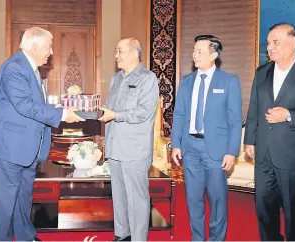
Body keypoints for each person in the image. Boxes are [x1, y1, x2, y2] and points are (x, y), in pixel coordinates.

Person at [0, 26, 84, 241]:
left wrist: (59, 110)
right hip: (10, 147)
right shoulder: (14, 67)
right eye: (49, 46)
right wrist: (61, 114)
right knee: (4, 204)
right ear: (34, 46)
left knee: (23, 198)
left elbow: (33, 106)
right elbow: (24, 105)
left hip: (27, 148)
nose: (51, 52)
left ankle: (25, 237)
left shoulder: (30, 69)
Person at [244, 23, 295, 241]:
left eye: (275, 42)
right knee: (264, 209)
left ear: (293, 42)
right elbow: (254, 108)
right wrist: (250, 140)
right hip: (263, 154)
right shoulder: (261, 72)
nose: (269, 47)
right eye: (268, 43)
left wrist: (289, 114)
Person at [170, 35, 242, 241]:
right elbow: (179, 114)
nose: (194, 55)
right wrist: (176, 144)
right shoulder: (186, 81)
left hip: (216, 150)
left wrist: (231, 151)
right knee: (193, 199)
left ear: (214, 55)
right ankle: (198, 238)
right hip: (190, 147)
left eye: (199, 51)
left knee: (217, 200)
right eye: (194, 50)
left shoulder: (228, 81)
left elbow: (235, 120)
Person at [99, 38, 159, 241]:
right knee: (119, 196)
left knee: (137, 199)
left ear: (134, 53)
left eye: (120, 51)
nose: (116, 55)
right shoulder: (116, 78)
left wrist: (115, 115)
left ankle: (138, 238)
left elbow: (143, 112)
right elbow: (110, 108)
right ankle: (122, 235)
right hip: (115, 147)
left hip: (134, 150)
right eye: (116, 51)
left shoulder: (148, 78)